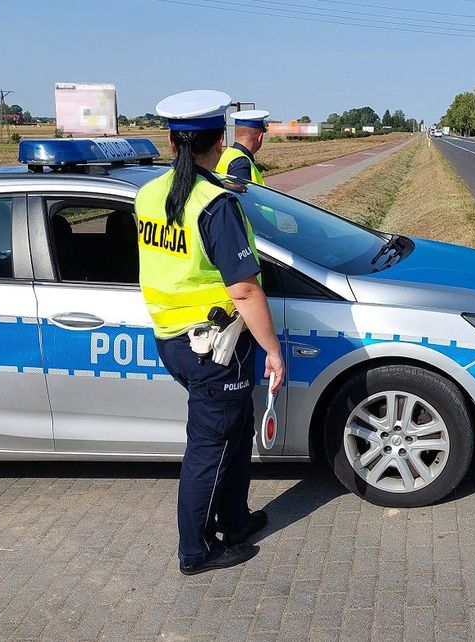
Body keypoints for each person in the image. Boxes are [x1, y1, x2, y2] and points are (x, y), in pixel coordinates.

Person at [136, 89, 285, 575]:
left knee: (233, 433)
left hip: (173, 338)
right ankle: (196, 551)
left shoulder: (148, 194)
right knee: (210, 448)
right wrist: (273, 351)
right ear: (219, 140)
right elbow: (244, 289)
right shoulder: (214, 203)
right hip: (214, 346)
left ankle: (235, 520)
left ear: (170, 139)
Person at [215, 109, 269, 185]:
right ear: (260, 137)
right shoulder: (241, 163)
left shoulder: (227, 154)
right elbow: (243, 196)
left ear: (235, 134)